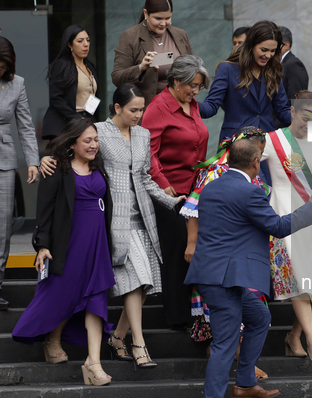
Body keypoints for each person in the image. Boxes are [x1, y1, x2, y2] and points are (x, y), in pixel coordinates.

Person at [39, 84, 185, 368]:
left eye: (142, 109)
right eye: (133, 109)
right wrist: (46, 159)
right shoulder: (100, 132)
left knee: (145, 283)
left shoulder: (143, 134)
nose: (139, 115)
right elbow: (74, 148)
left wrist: (172, 202)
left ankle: (118, 337)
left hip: (142, 218)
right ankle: (139, 344)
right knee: (137, 279)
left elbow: (144, 177)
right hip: (112, 219)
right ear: (117, 108)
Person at [184, 139, 312, 398]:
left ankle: (245, 384)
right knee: (225, 344)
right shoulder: (249, 191)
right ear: (255, 162)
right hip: (225, 278)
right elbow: (277, 227)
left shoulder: (211, 188)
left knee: (260, 318)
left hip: (217, 274)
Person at [12, 118, 115, 386]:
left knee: (95, 297)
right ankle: (52, 337)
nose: (94, 145)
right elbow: (44, 211)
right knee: (65, 293)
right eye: (87, 141)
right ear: (72, 143)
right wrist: (42, 246)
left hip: (97, 243)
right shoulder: (58, 168)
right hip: (69, 243)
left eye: (95, 140)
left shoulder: (99, 166)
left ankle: (93, 362)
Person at [181, 126, 271, 381]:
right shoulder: (215, 173)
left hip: (243, 255)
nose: (259, 158)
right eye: (258, 153)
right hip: (221, 258)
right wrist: (192, 242)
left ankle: (244, 374)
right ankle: (236, 365)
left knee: (257, 314)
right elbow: (194, 207)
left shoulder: (251, 176)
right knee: (226, 326)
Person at [264, 90, 312, 366]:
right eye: (304, 116)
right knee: (297, 280)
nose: (308, 122)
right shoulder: (273, 140)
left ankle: (293, 336)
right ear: (292, 112)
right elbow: (243, 163)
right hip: (285, 219)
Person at [142, 54, 209, 328]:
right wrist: (161, 181)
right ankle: (177, 317)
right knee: (178, 250)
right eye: (192, 85)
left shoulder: (192, 105)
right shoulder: (158, 108)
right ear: (175, 80)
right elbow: (147, 150)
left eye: (199, 87)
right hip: (169, 192)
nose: (195, 91)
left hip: (194, 190)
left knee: (193, 251)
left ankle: (193, 311)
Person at [198, 20, 291, 144]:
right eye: (263, 50)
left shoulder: (274, 71)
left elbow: (282, 111)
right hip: (236, 144)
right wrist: (186, 101)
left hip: (266, 144)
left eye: (272, 51)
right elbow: (210, 106)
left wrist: (304, 118)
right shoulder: (227, 68)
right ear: (251, 45)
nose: (268, 55)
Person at [0, 36, 40, 310]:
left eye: (4, 66)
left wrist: (33, 161)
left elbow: (26, 126)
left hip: (4, 161)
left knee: (3, 227)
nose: (0, 71)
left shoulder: (17, 84)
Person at [111, 0, 193, 106]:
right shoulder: (130, 37)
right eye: (158, 18)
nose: (163, 23)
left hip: (180, 105)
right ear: (146, 14)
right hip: (149, 108)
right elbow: (117, 78)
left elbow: (192, 68)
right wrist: (141, 68)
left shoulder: (180, 35)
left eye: (168, 18)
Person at [42, 25, 99, 140]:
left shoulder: (90, 66)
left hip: (85, 121)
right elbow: (56, 98)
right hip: (64, 124)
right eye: (80, 41)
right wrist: (76, 117)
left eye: (88, 40)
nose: (86, 44)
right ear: (69, 44)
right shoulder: (61, 66)